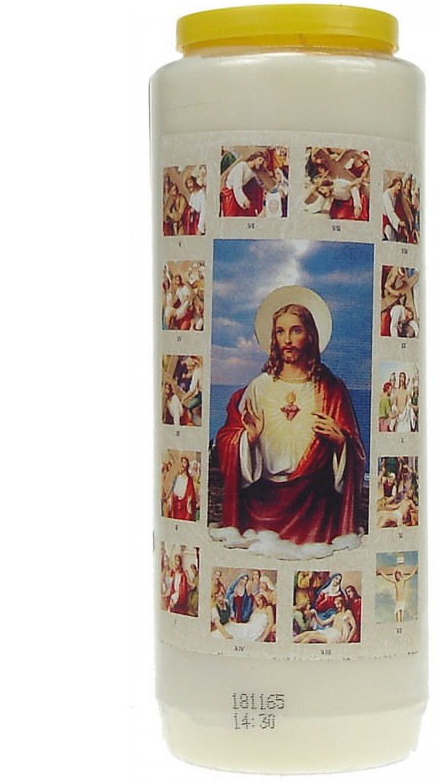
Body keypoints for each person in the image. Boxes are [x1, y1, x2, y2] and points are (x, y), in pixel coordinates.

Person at [215, 298, 365, 547]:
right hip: (262, 506)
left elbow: (356, 452)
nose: (287, 339)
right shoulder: (259, 387)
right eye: (280, 332)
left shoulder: (331, 389)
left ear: (310, 336)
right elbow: (226, 440)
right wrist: (247, 439)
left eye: (296, 331)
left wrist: (341, 442)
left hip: (314, 508)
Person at [221, 151, 267, 216]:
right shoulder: (241, 166)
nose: (261, 163)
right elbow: (237, 187)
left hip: (237, 195)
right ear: (254, 158)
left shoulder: (252, 171)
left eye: (262, 161)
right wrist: (244, 200)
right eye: (260, 159)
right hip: (230, 195)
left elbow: (259, 183)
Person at [169, 456, 197, 521]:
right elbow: (173, 492)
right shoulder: (178, 477)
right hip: (176, 506)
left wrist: (189, 502)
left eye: (184, 462)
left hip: (185, 508)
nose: (183, 464)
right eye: (182, 462)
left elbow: (191, 495)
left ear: (187, 465)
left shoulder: (189, 480)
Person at [382, 176, 405, 241]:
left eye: (400, 186)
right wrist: (399, 222)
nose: (399, 187)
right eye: (398, 184)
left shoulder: (395, 196)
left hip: (391, 223)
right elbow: (390, 211)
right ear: (394, 184)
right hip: (386, 224)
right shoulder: (386, 194)